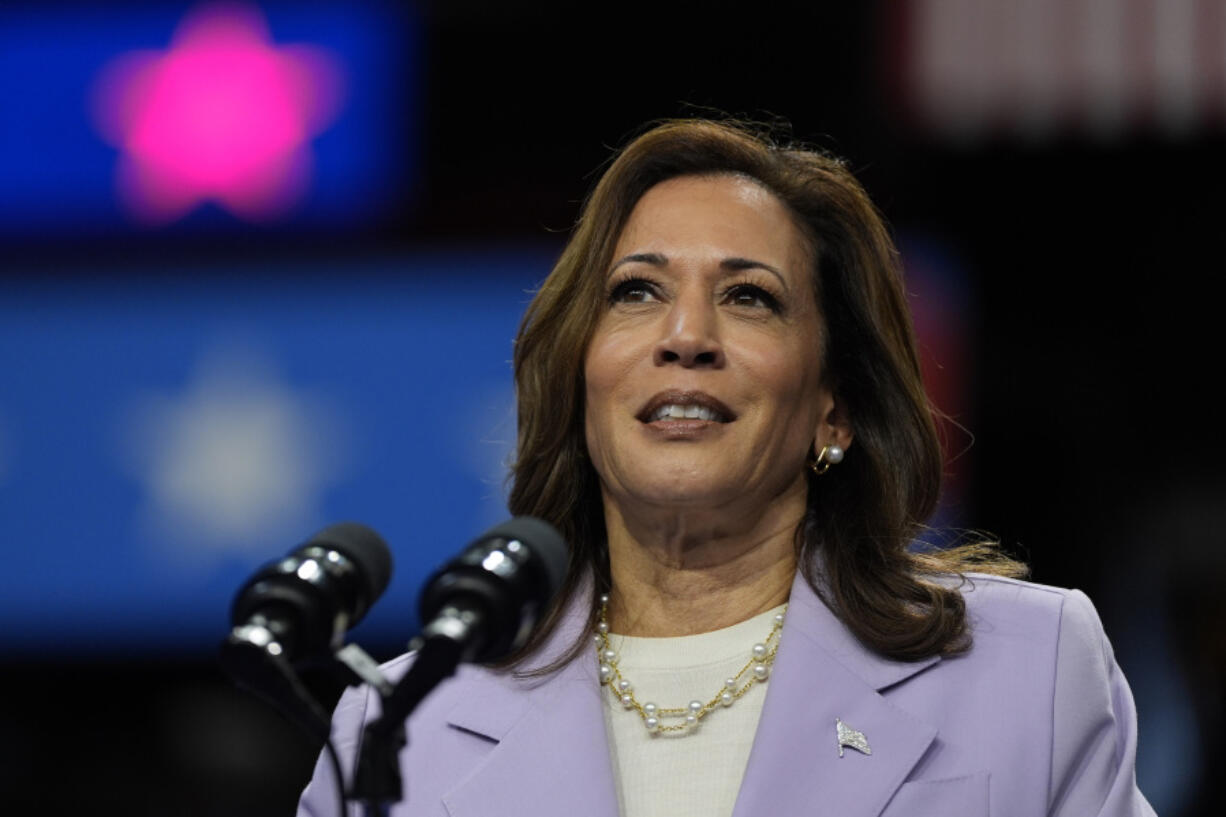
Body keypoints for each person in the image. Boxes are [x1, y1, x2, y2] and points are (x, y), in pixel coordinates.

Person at [298, 120, 1156, 816]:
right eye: (637, 290)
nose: (686, 337)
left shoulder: (1025, 671)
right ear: (580, 374)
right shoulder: (402, 725)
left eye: (750, 296)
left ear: (836, 406)